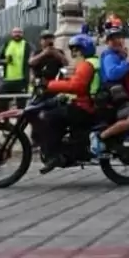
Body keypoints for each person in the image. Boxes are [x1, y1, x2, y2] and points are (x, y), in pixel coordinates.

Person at [41, 33, 100, 172]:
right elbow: (77, 84)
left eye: (76, 49)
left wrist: (50, 85)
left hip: (84, 106)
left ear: (83, 49)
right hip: (89, 103)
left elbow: (76, 86)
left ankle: (55, 155)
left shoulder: (86, 65)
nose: (73, 53)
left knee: (49, 117)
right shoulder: (94, 62)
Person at [91, 25, 129, 157]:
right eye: (112, 39)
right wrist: (127, 61)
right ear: (107, 42)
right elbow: (112, 74)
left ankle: (123, 136)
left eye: (119, 37)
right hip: (113, 95)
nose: (117, 41)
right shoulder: (109, 55)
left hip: (123, 94)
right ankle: (99, 138)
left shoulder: (121, 55)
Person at [0, 27, 32, 112]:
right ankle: (5, 122)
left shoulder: (27, 45)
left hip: (22, 80)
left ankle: (20, 124)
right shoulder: (7, 44)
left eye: (19, 32)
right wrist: (5, 61)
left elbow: (33, 59)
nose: (17, 34)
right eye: (15, 32)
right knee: (2, 103)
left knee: (21, 106)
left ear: (22, 34)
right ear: (11, 34)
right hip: (7, 80)